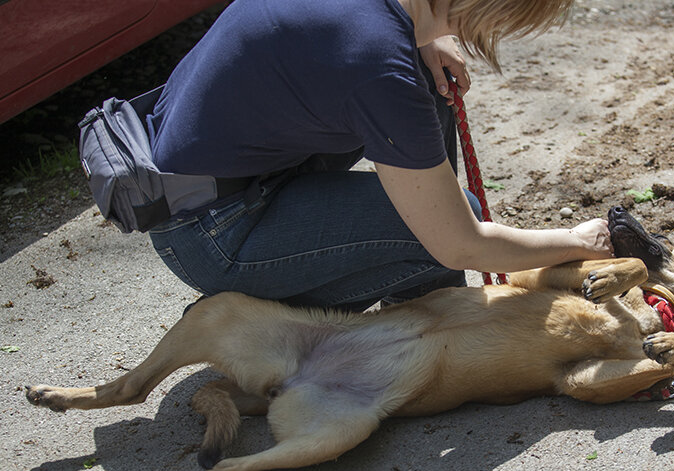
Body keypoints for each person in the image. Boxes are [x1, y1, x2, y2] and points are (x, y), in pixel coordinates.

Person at [146, 0, 612, 312]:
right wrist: (577, 242)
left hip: (202, 180)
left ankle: (432, 298)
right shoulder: (380, 68)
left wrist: (427, 37)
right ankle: (267, 321)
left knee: (428, 81)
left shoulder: (383, 31)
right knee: (447, 229)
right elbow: (459, 244)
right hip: (210, 235)